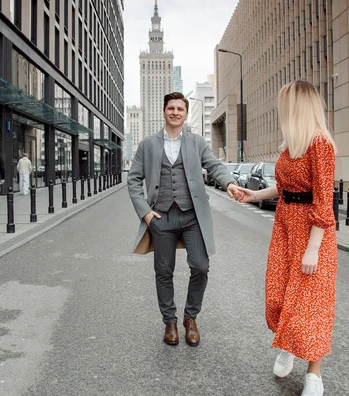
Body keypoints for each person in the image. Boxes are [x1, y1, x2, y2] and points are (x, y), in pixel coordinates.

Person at [236, 80, 337, 396]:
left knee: (311, 305)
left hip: (312, 231)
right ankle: (288, 345)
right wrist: (253, 195)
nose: (281, 109)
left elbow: (323, 200)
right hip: (285, 226)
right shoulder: (290, 145)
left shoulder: (321, 144)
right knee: (278, 295)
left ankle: (315, 374)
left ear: (298, 106)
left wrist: (313, 249)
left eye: (285, 103)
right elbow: (284, 187)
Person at [127, 92, 244, 347]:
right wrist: (145, 213)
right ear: (164, 111)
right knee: (163, 272)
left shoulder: (196, 142)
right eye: (171, 108)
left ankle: (190, 318)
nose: (176, 112)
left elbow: (215, 165)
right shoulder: (148, 144)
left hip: (192, 216)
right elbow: (134, 179)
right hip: (161, 217)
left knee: (201, 266)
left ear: (185, 113)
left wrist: (231, 183)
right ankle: (170, 321)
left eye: (180, 108)